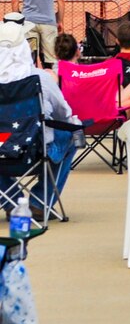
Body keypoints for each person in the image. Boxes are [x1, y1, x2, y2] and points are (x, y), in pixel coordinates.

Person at [0, 21, 79, 221]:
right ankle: (39, 203)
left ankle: (12, 202)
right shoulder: (40, 78)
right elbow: (64, 113)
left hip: (3, 148)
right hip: (35, 149)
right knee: (70, 135)